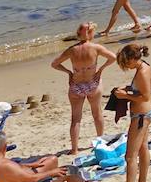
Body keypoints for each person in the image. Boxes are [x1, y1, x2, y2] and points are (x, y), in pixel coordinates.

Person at [50, 21, 116, 153]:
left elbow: (54, 64)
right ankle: (100, 143)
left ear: (78, 33)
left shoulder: (72, 50)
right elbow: (113, 58)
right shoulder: (96, 48)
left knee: (76, 119)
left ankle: (74, 149)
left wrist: (69, 72)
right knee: (97, 114)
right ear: (91, 33)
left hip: (76, 85)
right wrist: (100, 69)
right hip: (93, 84)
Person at [110, 43, 151, 182]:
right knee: (143, 148)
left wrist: (125, 96)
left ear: (133, 58)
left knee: (130, 157)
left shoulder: (142, 72)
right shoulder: (144, 67)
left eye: (126, 62)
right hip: (146, 113)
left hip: (141, 116)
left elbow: (145, 96)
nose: (125, 66)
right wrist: (128, 89)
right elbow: (145, 89)